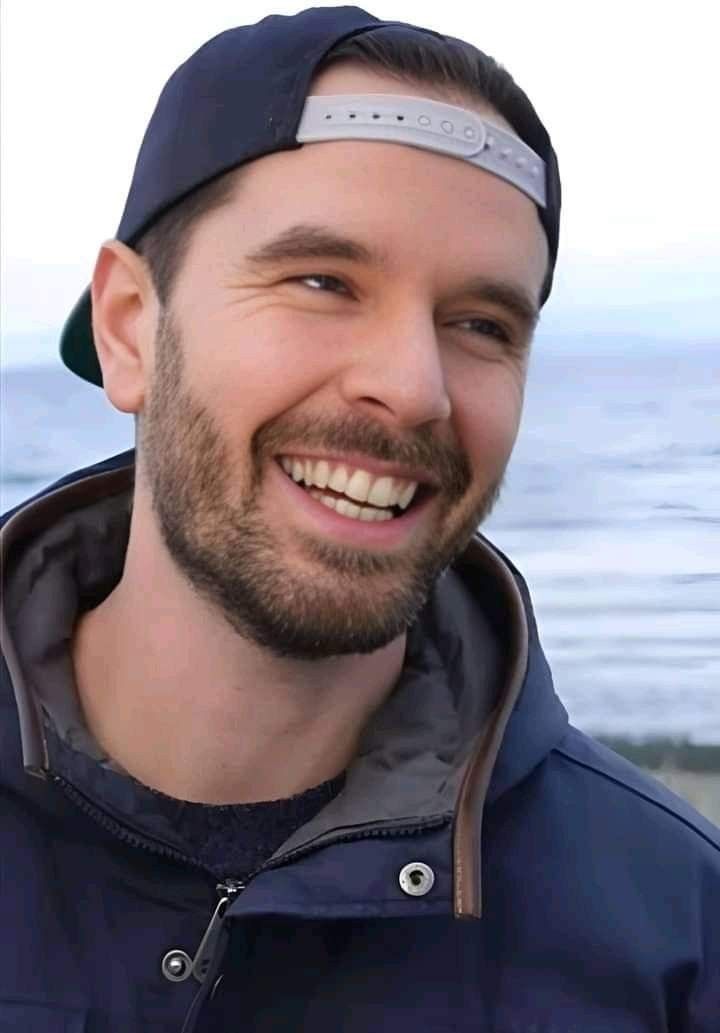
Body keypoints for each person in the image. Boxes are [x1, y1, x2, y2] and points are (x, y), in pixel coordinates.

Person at [0, 6, 717, 1031]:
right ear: (128, 327)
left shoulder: (671, 938)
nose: (415, 386)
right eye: (323, 281)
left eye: (481, 324)